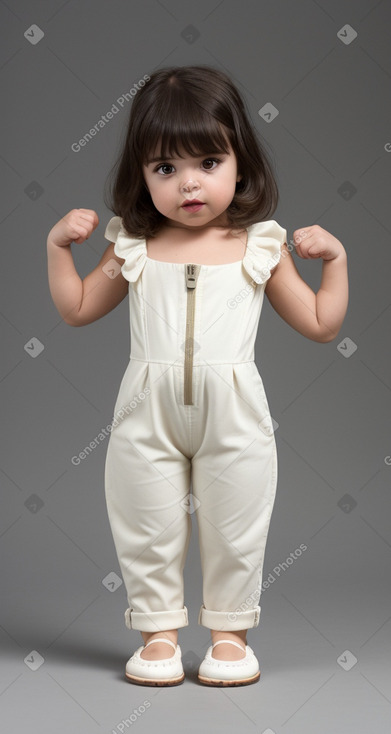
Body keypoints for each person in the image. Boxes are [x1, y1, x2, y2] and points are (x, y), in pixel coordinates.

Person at [46, 64, 348, 688]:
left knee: (237, 522)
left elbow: (321, 324)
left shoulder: (259, 244)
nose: (189, 184)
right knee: (144, 518)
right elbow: (77, 309)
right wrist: (57, 249)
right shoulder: (132, 242)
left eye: (208, 162)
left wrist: (336, 262)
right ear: (141, 176)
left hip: (235, 412)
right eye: (165, 169)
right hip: (144, 412)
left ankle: (230, 636)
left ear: (241, 163)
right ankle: (157, 633)